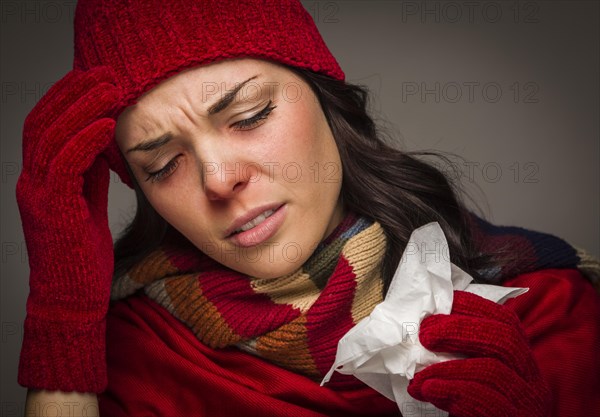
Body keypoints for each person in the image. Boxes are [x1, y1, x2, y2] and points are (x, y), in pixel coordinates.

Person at [16, 0, 600, 416]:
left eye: (249, 117)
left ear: (326, 100)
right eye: (163, 165)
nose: (220, 181)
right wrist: (62, 327)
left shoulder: (544, 304)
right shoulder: (132, 354)